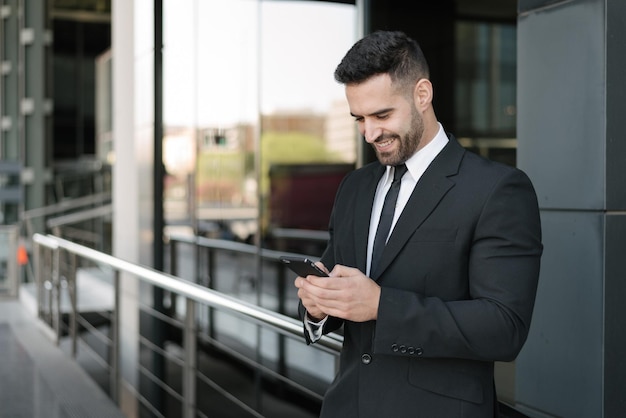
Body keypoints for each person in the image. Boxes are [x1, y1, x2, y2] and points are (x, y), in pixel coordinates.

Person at [293, 30, 542, 418]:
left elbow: (503, 328)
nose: (370, 133)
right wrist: (319, 306)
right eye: (358, 118)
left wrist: (381, 305)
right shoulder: (355, 187)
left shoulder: (497, 189)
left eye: (382, 115)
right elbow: (339, 286)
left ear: (422, 95)